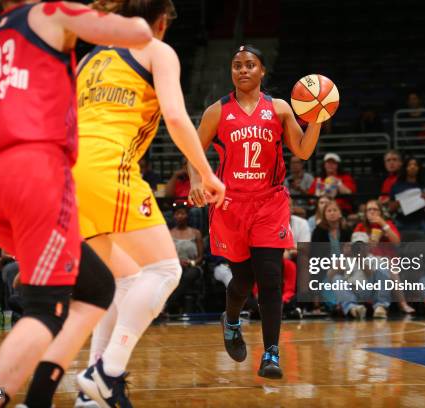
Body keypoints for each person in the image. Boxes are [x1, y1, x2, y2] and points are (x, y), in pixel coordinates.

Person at [0, 1, 153, 406]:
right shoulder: (52, 13)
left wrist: (7, 176)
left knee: (96, 287)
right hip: (36, 173)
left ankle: (38, 398)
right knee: (45, 310)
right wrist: (100, 9)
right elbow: (140, 34)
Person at [71, 1, 225, 406]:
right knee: (164, 269)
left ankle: (91, 394)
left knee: (121, 279)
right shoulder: (156, 49)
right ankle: (108, 371)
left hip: (66, 173)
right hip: (108, 166)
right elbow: (176, 116)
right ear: (162, 21)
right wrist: (205, 173)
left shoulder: (87, 61)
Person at [188, 45, 324, 379]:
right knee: (244, 280)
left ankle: (272, 354)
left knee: (271, 278)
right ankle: (231, 319)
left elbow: (303, 151)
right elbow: (193, 150)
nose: (243, 70)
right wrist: (195, 180)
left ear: (262, 71)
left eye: (250, 65)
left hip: (270, 203)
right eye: (237, 66)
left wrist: (318, 118)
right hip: (231, 205)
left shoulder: (278, 109)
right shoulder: (216, 112)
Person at [330, 232, 392, 319]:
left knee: (383, 270)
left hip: (369, 290)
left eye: (363, 245)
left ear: (368, 246)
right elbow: (331, 277)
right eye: (357, 246)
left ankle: (380, 306)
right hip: (351, 291)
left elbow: (371, 275)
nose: (360, 248)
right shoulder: (345, 259)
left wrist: (359, 259)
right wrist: (343, 256)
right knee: (337, 278)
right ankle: (353, 309)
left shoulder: (375, 259)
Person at [168, 203, 204, 313]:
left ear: (187, 215)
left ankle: (168, 304)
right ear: (174, 216)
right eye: (177, 214)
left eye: (182, 213)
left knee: (190, 274)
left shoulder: (196, 233)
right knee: (176, 274)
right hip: (175, 266)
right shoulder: (169, 233)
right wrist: (178, 262)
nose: (180, 216)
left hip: (193, 266)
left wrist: (191, 263)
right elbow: (168, 255)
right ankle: (172, 305)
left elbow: (200, 257)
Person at [389, 157, 425, 237]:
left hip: (419, 222)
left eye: (415, 165)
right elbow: (390, 208)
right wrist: (398, 204)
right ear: (405, 168)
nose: (412, 167)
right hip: (401, 222)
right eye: (410, 165)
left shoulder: (423, 186)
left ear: (419, 168)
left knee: (421, 249)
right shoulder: (397, 186)